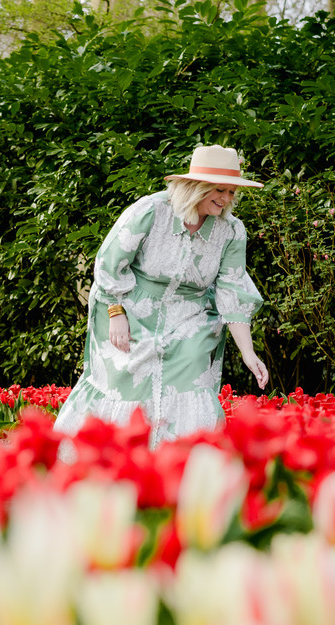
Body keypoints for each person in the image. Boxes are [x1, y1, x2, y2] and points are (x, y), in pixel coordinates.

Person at [53, 144, 269, 449]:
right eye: (220, 190)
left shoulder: (232, 231)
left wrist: (248, 353)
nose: (227, 199)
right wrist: (116, 314)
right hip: (128, 306)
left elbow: (232, 291)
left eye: (232, 192)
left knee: (191, 370)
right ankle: (109, 453)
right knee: (124, 375)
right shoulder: (152, 211)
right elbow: (110, 262)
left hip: (191, 317)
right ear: (197, 186)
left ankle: (181, 460)